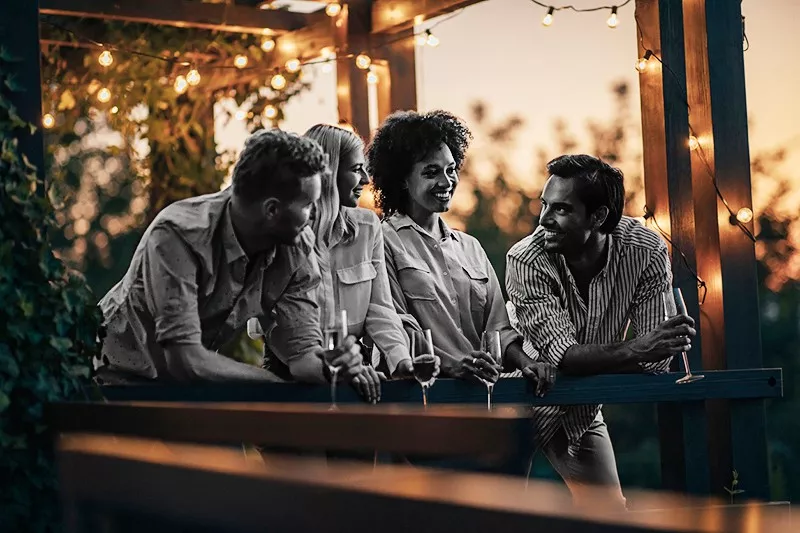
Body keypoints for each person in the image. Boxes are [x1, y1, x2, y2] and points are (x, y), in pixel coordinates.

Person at [96, 129, 362, 384]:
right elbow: (185, 359)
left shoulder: (296, 247)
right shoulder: (178, 235)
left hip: (179, 387)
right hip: (108, 379)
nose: (315, 213)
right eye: (307, 204)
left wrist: (332, 367)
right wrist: (273, 384)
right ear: (272, 210)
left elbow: (302, 356)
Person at [505, 154, 697, 508]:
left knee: (611, 517)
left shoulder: (646, 250)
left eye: (561, 209)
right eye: (545, 204)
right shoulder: (526, 258)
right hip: (517, 404)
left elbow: (658, 360)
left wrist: (592, 361)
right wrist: (637, 349)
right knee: (494, 520)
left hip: (582, 409)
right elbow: (563, 355)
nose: (544, 219)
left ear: (599, 216)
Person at [367, 110, 555, 394]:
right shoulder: (382, 242)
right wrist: (452, 365)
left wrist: (526, 363)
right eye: (431, 172)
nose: (446, 182)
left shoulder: (471, 248)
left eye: (450, 169)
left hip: (481, 399)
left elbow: (498, 330)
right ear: (402, 180)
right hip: (419, 398)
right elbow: (395, 326)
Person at [264, 124, 426, 403]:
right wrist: (323, 364)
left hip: (357, 371)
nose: (366, 178)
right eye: (356, 169)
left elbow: (380, 309)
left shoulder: (367, 227)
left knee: (357, 444)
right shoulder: (284, 233)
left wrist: (401, 361)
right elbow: (269, 319)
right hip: (290, 372)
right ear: (328, 173)